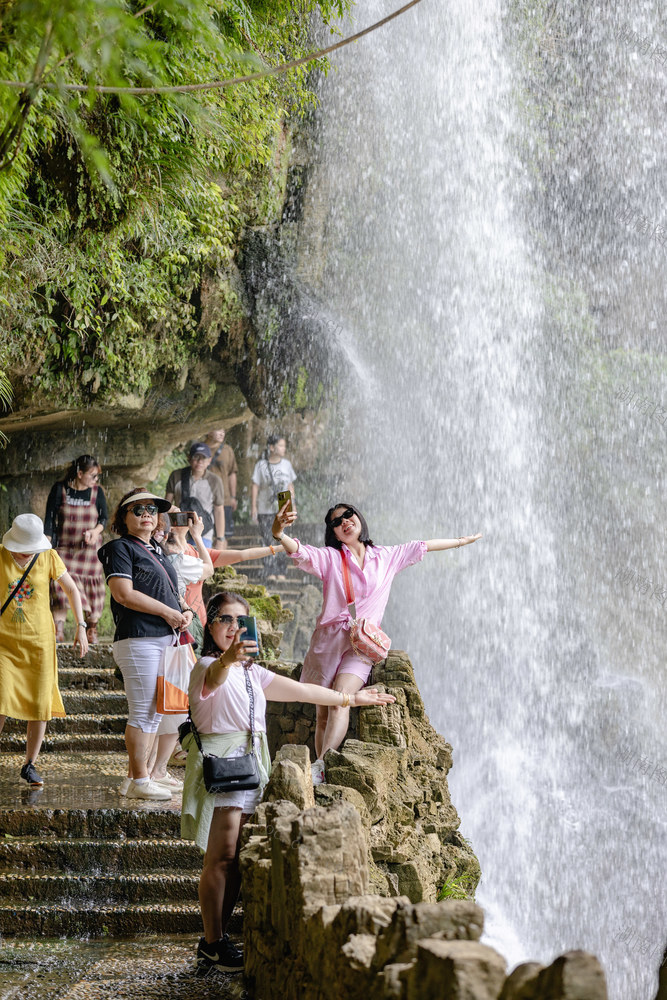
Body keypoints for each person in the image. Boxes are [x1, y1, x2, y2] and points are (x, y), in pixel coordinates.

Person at [181, 589, 396, 972]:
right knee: (220, 857)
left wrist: (351, 700)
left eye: (240, 621)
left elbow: (302, 690)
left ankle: (214, 940)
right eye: (225, 620)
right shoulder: (205, 667)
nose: (233, 627)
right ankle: (213, 941)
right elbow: (214, 676)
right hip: (222, 764)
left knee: (235, 860)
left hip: (249, 765)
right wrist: (230, 657)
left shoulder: (253, 674)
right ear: (209, 625)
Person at [272, 502, 482, 783]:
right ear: (333, 532)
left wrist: (460, 541)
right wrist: (279, 532)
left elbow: (424, 546)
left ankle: (321, 767)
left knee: (340, 701)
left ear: (358, 518)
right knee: (323, 711)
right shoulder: (330, 558)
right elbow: (299, 551)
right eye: (337, 522)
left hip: (361, 646)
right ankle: (320, 769)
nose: (345, 522)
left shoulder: (386, 556)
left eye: (348, 515)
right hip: (328, 643)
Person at [98, 488, 194, 801]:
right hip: (139, 638)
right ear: (123, 518)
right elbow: (123, 593)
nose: (146, 515)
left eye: (152, 510)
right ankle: (139, 779)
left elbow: (170, 590)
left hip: (163, 638)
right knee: (143, 713)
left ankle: (136, 779)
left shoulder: (155, 548)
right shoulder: (119, 548)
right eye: (138, 510)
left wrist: (184, 610)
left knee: (155, 711)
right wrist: (168, 612)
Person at [0, 513, 89, 787]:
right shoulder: (1, 555)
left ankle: (29, 764)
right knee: (0, 700)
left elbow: (72, 590)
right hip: (4, 641)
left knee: (40, 705)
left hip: (39, 642)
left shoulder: (48, 556)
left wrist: (81, 625)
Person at [44, 454, 108, 644]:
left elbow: (103, 519)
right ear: (80, 473)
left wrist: (95, 532)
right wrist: (46, 542)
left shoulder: (97, 492)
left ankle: (91, 630)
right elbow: (49, 519)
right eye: (93, 475)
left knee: (93, 592)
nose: (96, 480)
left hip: (89, 552)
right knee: (59, 586)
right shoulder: (60, 489)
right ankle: (59, 630)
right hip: (64, 549)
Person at [165, 443, 226, 551]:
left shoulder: (215, 481)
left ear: (209, 460)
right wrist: (165, 529)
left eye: (203, 458)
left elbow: (219, 510)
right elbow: (167, 505)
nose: (199, 461)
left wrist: (220, 538)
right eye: (196, 457)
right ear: (189, 458)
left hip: (204, 532)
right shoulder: (177, 476)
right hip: (179, 531)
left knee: (202, 564)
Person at [250, 435, 295, 580]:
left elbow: (290, 486)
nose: (283, 448)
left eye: (284, 445)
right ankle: (269, 570)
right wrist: (253, 507)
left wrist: (293, 506)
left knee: (283, 538)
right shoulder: (261, 465)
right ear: (271, 447)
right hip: (265, 509)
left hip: (283, 509)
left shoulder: (286, 464)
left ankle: (281, 571)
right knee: (267, 539)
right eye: (281, 445)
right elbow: (255, 486)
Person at [203, 428, 238, 540]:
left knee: (223, 536)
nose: (222, 433)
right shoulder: (199, 449)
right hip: (202, 499)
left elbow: (232, 474)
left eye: (223, 430)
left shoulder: (227, 450)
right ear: (208, 431)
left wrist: (233, 496)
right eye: (218, 429)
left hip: (224, 498)